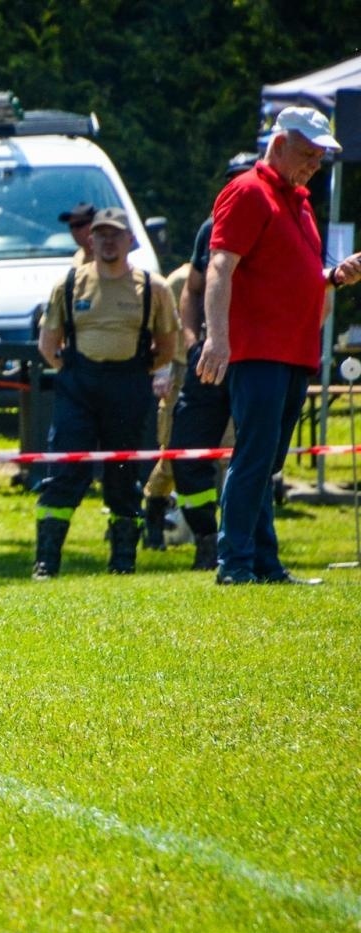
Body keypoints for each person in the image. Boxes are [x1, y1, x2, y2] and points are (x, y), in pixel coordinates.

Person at [197, 107, 361, 584]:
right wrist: (217, 338)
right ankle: (235, 564)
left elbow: (292, 276)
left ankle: (263, 564)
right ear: (278, 144)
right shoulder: (247, 191)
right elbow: (220, 267)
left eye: (320, 156)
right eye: (308, 153)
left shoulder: (299, 200)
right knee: (253, 458)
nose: (314, 163)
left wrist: (333, 277)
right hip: (259, 351)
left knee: (266, 463)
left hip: (292, 352)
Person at [31, 208, 179, 577]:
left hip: (127, 387)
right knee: (64, 473)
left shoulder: (154, 287)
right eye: (101, 235)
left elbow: (166, 345)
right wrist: (75, 373)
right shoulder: (68, 283)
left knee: (123, 475)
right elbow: (48, 344)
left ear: (129, 240)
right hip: (77, 387)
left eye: (115, 234)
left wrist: (136, 374)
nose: (108, 241)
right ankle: (46, 561)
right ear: (90, 240)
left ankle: (123, 561)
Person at [164, 151, 258, 570]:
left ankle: (247, 542)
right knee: (186, 449)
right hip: (210, 355)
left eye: (247, 177)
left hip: (256, 356)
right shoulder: (211, 228)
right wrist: (190, 338)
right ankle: (205, 534)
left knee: (255, 452)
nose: (239, 186)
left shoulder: (277, 218)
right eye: (232, 179)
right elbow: (194, 287)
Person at [138, 259, 193, 550]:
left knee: (224, 455)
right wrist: (161, 373)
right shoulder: (179, 281)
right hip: (181, 375)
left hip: (226, 374)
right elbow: (161, 329)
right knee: (171, 458)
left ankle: (209, 535)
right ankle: (154, 520)